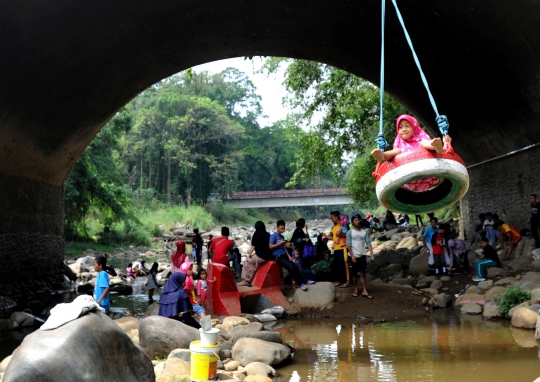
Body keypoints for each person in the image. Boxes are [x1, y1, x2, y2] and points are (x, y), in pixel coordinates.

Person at [371, 114, 450, 162]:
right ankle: (382, 156)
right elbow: (397, 152)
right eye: (400, 127)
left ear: (414, 128)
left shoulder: (420, 138)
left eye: (407, 126)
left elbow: (423, 142)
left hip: (428, 163)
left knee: (424, 142)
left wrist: (446, 142)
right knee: (397, 151)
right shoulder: (400, 143)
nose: (404, 129)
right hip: (406, 168)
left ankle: (437, 147)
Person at [270, 219, 314, 291]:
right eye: (281, 228)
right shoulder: (273, 236)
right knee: (291, 268)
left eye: (284, 228)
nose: (283, 230)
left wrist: (289, 256)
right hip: (278, 257)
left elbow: (284, 247)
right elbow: (270, 246)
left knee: (295, 266)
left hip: (284, 255)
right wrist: (279, 244)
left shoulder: (282, 237)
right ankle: (300, 284)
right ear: (277, 227)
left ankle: (305, 280)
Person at [346, 215, 375, 298]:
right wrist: (352, 256)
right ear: (352, 222)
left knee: (362, 273)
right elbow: (349, 245)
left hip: (362, 255)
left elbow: (368, 243)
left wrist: (372, 253)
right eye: (355, 220)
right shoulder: (349, 232)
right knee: (354, 274)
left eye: (358, 220)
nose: (357, 221)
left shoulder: (364, 232)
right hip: (353, 256)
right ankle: (355, 289)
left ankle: (364, 290)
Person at [237, 221, 274, 287]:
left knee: (247, 262)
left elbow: (253, 246)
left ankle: (245, 280)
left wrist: (249, 255)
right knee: (253, 262)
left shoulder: (257, 233)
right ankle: (249, 279)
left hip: (261, 256)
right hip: (268, 255)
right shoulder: (267, 234)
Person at [330, 211, 349, 287]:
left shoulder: (343, 225)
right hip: (336, 249)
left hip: (343, 248)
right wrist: (327, 237)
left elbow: (347, 235)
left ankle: (347, 281)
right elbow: (334, 237)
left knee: (344, 265)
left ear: (337, 217)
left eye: (332, 218)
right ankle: (339, 280)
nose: (332, 219)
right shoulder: (334, 228)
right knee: (337, 265)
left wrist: (340, 234)